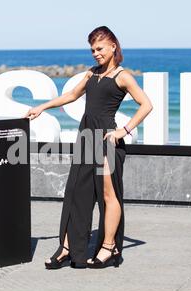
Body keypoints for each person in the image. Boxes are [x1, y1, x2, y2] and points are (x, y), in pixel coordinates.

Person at [24, 26, 153, 269]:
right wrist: (42, 106)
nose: (95, 53)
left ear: (113, 46)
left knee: (108, 194)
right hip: (86, 139)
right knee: (76, 194)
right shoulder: (91, 74)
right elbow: (71, 95)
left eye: (100, 48)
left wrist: (124, 130)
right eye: (92, 49)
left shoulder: (122, 76)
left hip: (107, 142)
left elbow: (146, 105)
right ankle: (68, 248)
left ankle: (108, 247)